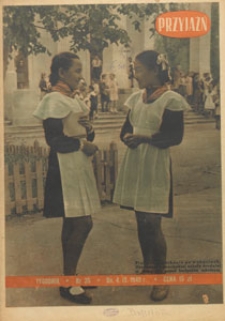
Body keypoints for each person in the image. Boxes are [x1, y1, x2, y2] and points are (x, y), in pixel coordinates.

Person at [113, 50, 190, 302]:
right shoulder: (136, 98)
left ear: (154, 71)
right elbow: (127, 128)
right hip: (136, 162)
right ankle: (147, 267)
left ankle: (161, 277)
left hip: (155, 164)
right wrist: (127, 138)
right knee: (140, 218)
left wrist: (145, 138)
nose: (134, 74)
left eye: (138, 69)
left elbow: (174, 137)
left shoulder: (171, 99)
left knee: (152, 221)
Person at [33, 52, 100, 305]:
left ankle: (69, 277)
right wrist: (83, 144)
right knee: (83, 223)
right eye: (77, 71)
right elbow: (55, 140)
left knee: (73, 222)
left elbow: (81, 132)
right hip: (64, 165)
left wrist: (89, 131)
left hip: (78, 164)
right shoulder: (53, 99)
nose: (81, 76)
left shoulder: (74, 100)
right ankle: (68, 282)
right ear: (61, 73)